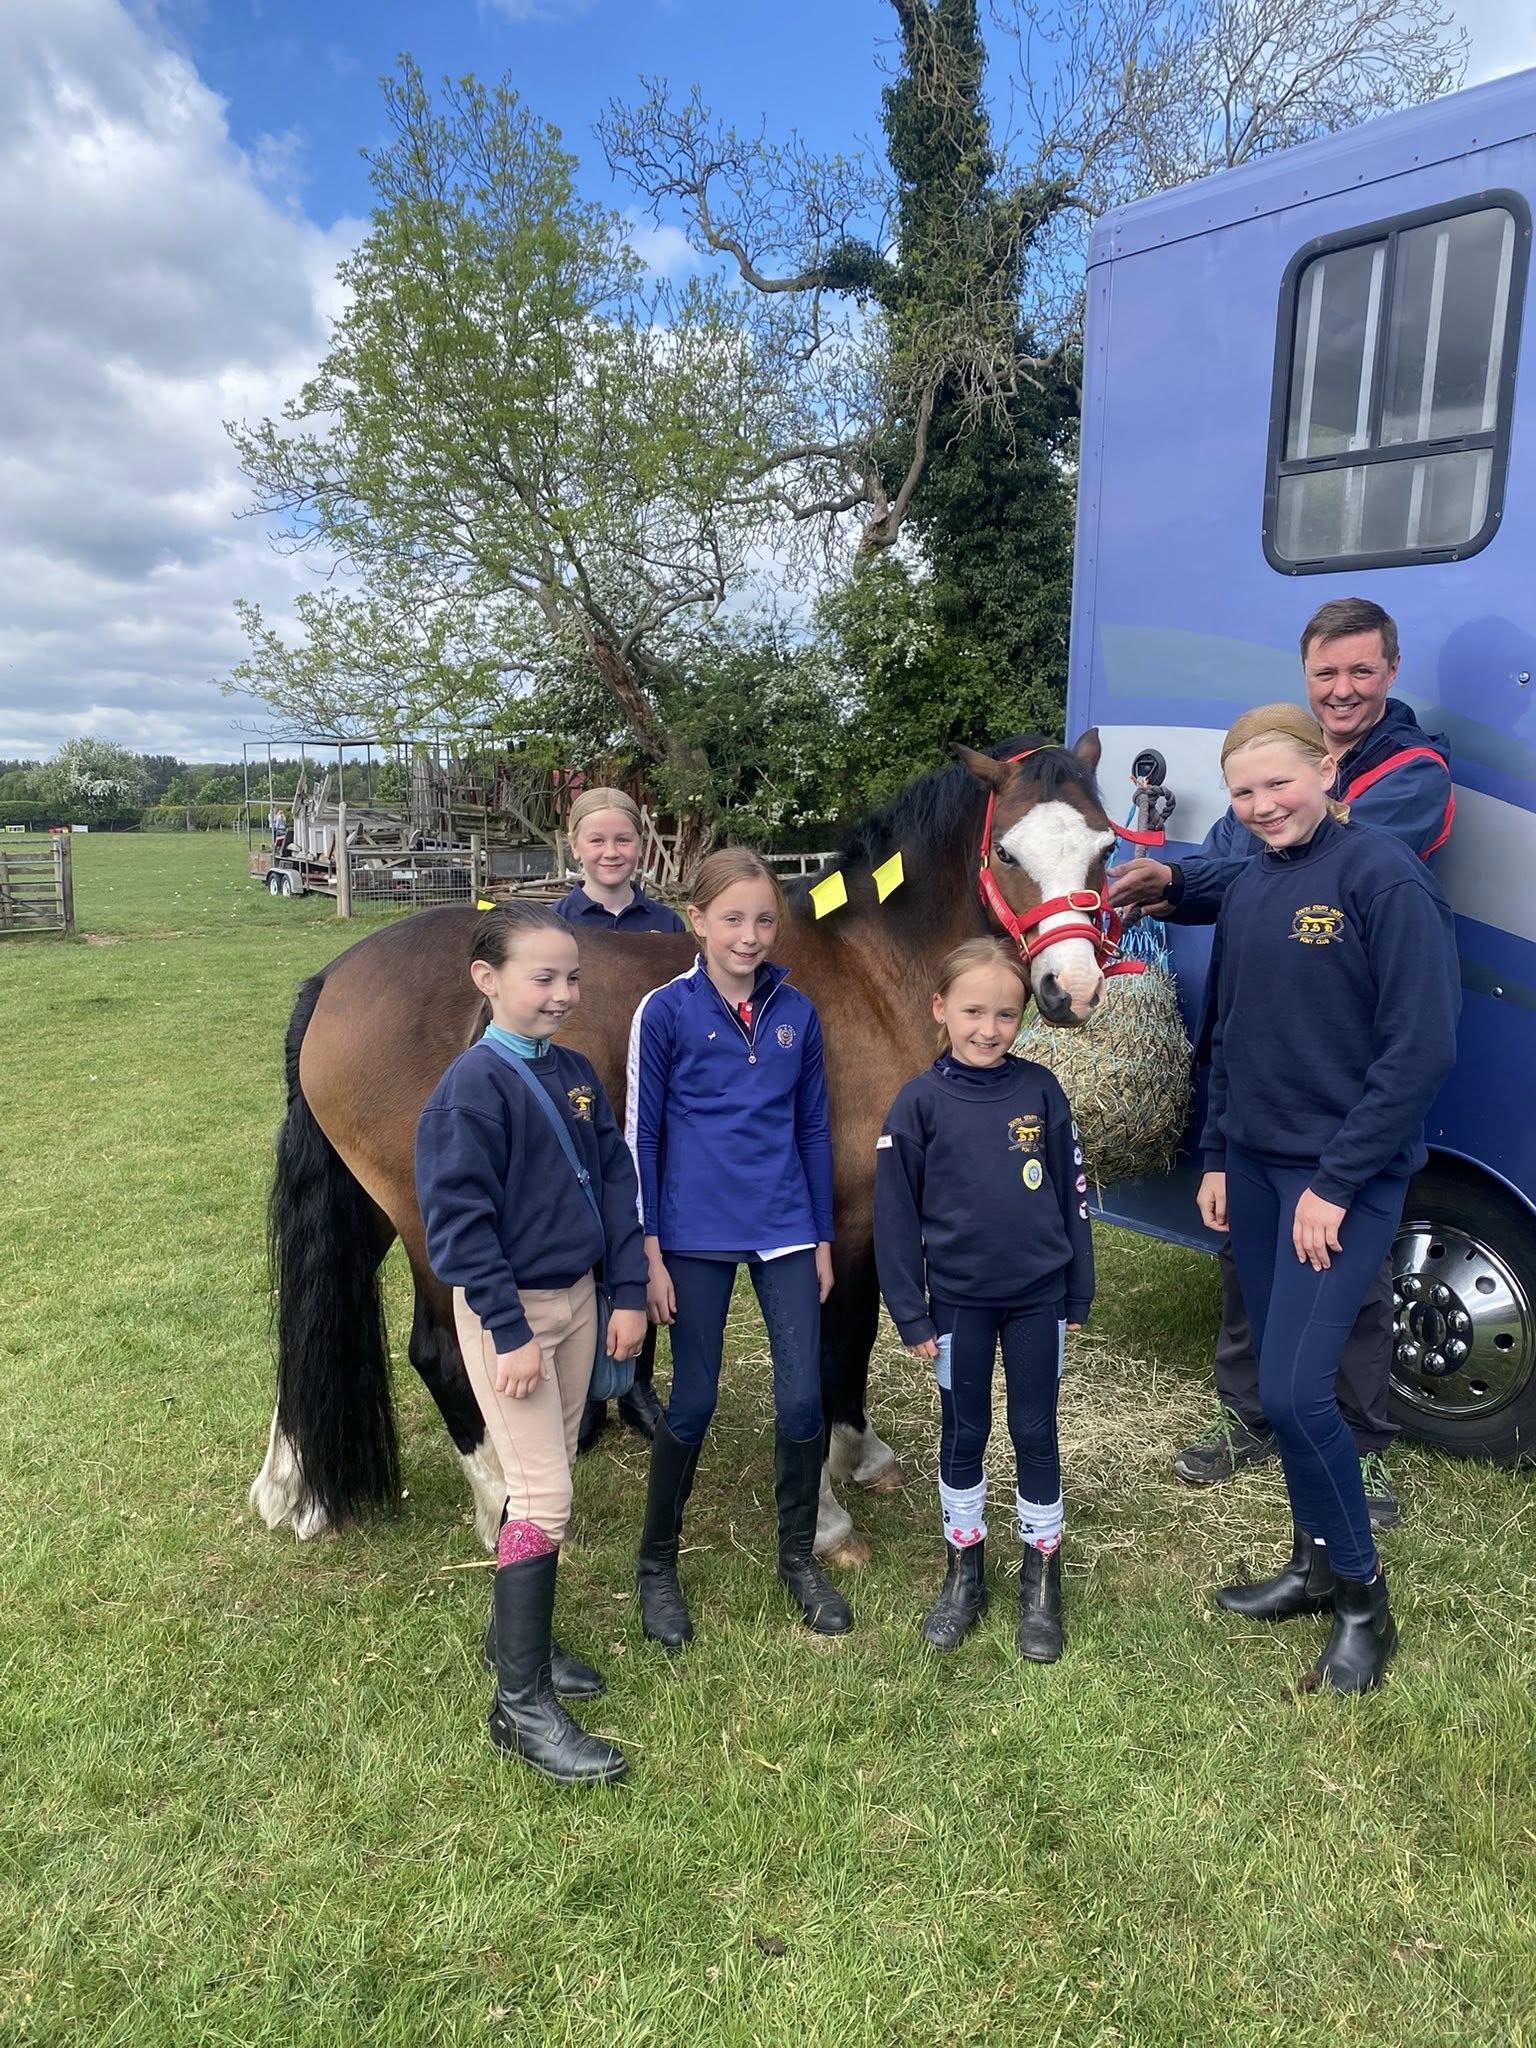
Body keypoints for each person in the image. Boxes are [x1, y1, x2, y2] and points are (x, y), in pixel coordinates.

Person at [1108, 598, 1454, 1524]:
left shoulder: (1411, 785)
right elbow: (1245, 861)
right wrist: (1183, 877)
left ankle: (1361, 1446)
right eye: (1325, 674)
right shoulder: (1272, 814)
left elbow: (1297, 859)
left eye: (1359, 671)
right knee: (1246, 1272)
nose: (1342, 689)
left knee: (1352, 1290)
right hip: (1260, 1116)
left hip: (1343, 1108)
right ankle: (1251, 1415)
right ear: (1307, 680)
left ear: (1389, 671)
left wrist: (1193, 877)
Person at [1197, 705, 1457, 1693]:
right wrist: (1220, 1152)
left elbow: (1421, 1047)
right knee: (1277, 1374)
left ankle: (1364, 1602)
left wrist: (1337, 1183)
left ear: (1325, 769)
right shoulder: (1256, 885)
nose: (1263, 805)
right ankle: (1311, 1562)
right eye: (1243, 792)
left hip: (1337, 1176)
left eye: (1278, 782)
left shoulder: (1381, 873)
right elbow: (1229, 1032)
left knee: (1303, 1391)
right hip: (1257, 1172)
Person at [414, 904, 650, 1784]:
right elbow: (460, 1225)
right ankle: (518, 1708)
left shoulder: (579, 1073)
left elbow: (618, 1182)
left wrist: (627, 1288)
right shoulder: (471, 1090)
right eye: (541, 977)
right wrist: (508, 1332)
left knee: (551, 1473)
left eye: (572, 977)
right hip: (511, 1315)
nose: (562, 993)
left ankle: (513, 1646)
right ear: (489, 980)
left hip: (581, 1304)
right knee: (544, 1497)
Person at [628, 847, 853, 1647]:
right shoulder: (664, 1013)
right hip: (693, 1230)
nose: (749, 936)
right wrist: (649, 1250)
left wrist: (822, 1234)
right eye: (732, 919)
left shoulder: (799, 1012)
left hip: (787, 1225)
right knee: (692, 1402)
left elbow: (813, 1128)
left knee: (801, 1404)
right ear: (697, 921)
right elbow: (642, 1134)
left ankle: (798, 1557)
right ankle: (657, 1564)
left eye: (763, 919)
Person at [873, 939, 1094, 1662]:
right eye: (972, 1011)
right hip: (959, 1308)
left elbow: (1074, 1195)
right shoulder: (917, 1103)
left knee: (1035, 1432)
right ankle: (963, 1575)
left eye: (1005, 1014)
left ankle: (1041, 1581)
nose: (988, 1028)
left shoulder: (1042, 1092)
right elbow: (895, 1217)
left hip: (1038, 1302)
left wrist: (1076, 1290)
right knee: (964, 1434)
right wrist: (911, 1310)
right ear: (940, 1010)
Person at [552, 785, 686, 1452]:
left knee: (640, 1234)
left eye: (623, 840)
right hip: (577, 1103)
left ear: (641, 847)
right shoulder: (551, 923)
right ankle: (580, 1396)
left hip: (648, 1106)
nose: (611, 851)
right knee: (585, 1245)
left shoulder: (665, 928)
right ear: (575, 846)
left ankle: (635, 1381)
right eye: (597, 840)